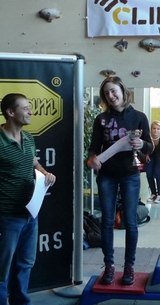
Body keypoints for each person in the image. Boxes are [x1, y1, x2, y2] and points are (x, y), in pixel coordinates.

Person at [86, 76, 153, 286]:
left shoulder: (139, 117)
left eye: (113, 91)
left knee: (130, 222)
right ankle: (109, 266)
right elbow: (94, 147)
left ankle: (130, 267)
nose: (111, 96)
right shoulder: (101, 119)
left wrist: (141, 143)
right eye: (106, 93)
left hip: (130, 174)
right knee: (106, 221)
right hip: (106, 175)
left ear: (123, 91)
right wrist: (92, 158)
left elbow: (150, 147)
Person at [0, 93, 56, 304]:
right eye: (25, 108)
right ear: (10, 112)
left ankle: (20, 301)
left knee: (25, 263)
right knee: (3, 267)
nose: (30, 111)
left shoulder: (29, 138)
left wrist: (44, 173)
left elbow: (33, 162)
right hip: (7, 217)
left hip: (30, 214)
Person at [146, 121, 160, 204]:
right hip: (151, 155)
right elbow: (143, 147)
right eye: (154, 128)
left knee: (157, 174)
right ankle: (153, 193)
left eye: (158, 129)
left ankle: (159, 195)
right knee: (149, 174)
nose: (156, 131)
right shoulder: (148, 137)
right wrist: (146, 155)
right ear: (151, 129)